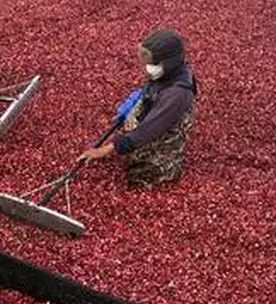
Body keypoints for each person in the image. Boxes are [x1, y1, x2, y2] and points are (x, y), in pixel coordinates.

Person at [79, 29, 198, 187]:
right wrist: (131, 106)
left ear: (168, 62)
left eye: (152, 64)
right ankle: (130, 143)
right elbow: (149, 89)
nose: (147, 67)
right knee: (131, 134)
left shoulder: (177, 93)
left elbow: (148, 129)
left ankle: (166, 165)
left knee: (142, 174)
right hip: (157, 112)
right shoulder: (168, 72)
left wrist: (106, 149)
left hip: (162, 127)